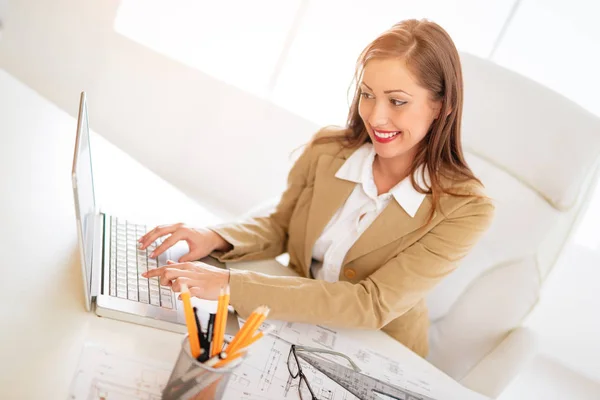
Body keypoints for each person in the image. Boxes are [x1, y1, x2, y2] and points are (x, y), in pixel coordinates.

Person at [139, 19, 495, 357]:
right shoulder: (329, 150)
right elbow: (282, 225)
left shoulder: (464, 208)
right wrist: (214, 236)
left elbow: (369, 303)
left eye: (397, 101)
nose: (376, 116)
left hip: (378, 348)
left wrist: (233, 285)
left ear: (441, 105)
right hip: (292, 324)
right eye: (367, 94)